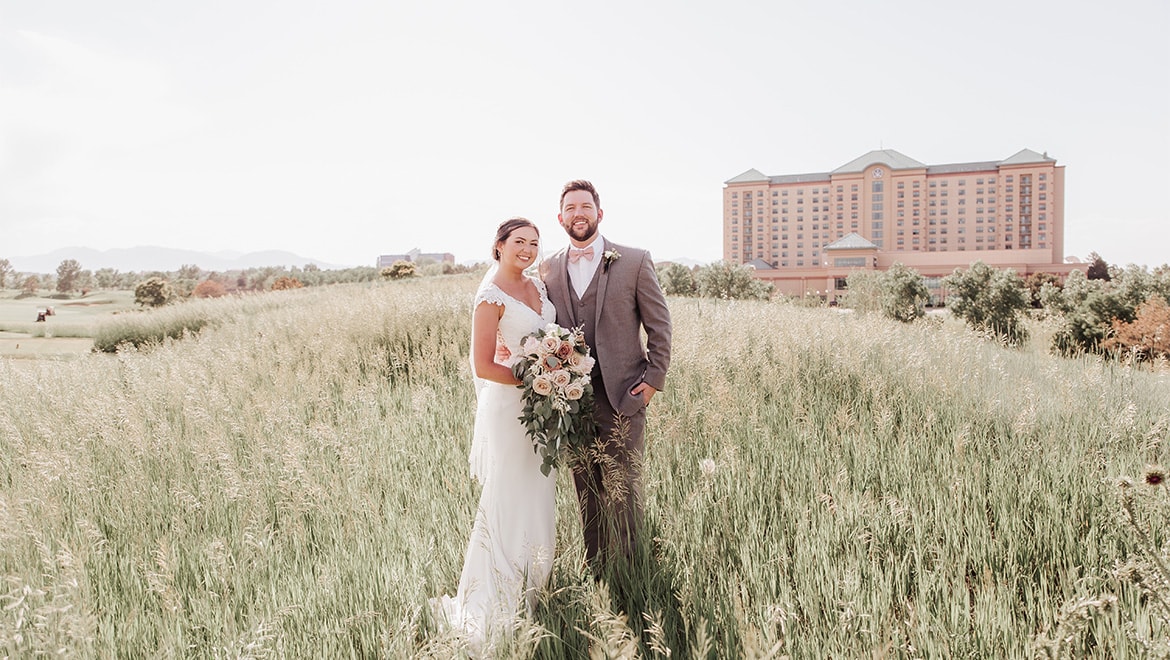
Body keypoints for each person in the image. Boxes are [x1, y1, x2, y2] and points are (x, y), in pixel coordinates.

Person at [432, 218, 557, 649]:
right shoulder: (490, 297)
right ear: (499, 246)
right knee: (507, 495)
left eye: (534, 243)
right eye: (519, 241)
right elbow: (483, 365)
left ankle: (533, 586)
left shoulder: (538, 287)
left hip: (544, 408)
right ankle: (494, 595)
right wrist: (538, 379)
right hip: (511, 409)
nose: (527, 249)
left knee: (538, 493)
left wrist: (557, 375)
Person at [540, 179, 672, 574]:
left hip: (624, 395)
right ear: (560, 218)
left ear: (599, 213)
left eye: (585, 206)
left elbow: (660, 325)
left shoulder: (634, 260)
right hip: (571, 402)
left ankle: (631, 575)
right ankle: (597, 572)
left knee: (624, 490)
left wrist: (653, 380)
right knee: (587, 492)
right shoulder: (547, 268)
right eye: (570, 208)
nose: (578, 214)